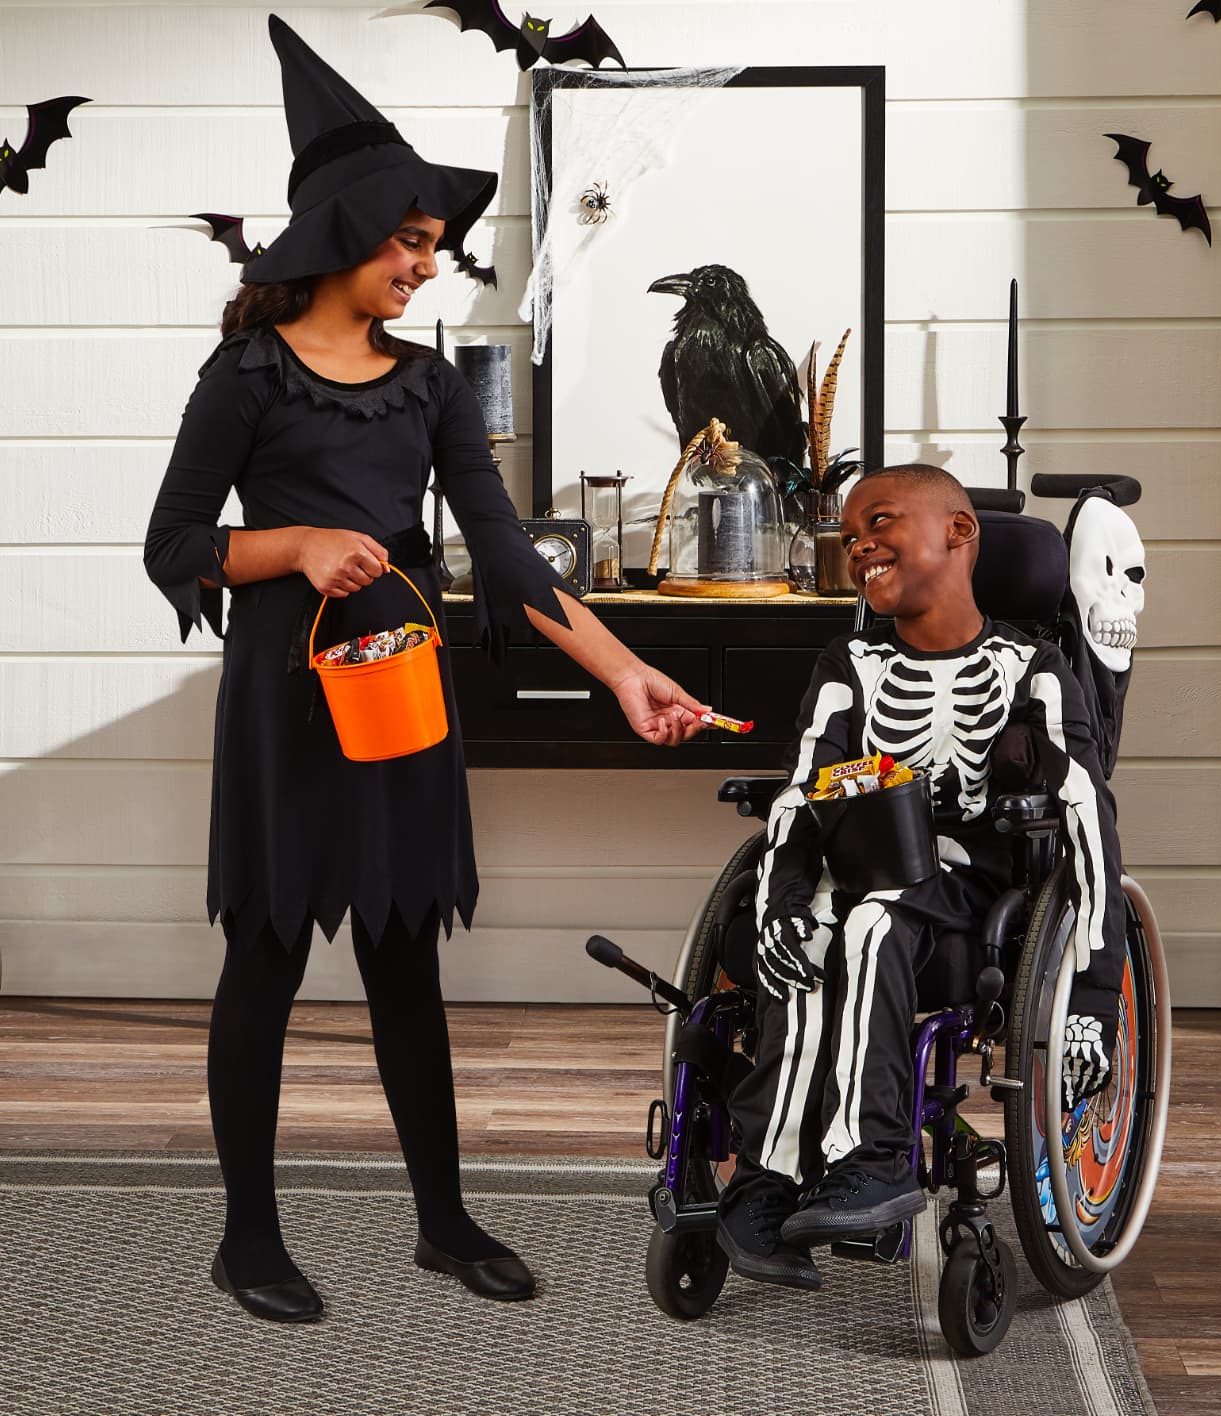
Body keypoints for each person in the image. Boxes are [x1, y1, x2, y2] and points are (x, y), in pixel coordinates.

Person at [143, 17, 707, 1324]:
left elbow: (508, 560)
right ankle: (247, 1238)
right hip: (288, 697)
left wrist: (625, 673)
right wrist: (295, 544)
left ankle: (444, 1222)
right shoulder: (244, 378)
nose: (426, 258)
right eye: (407, 238)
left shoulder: (431, 388)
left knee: (403, 959)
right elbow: (179, 543)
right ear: (342, 234)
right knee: (268, 961)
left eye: (430, 240)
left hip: (402, 684)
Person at [715, 464, 1125, 1291]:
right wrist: (784, 898)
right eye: (851, 531)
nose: (858, 543)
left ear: (959, 534)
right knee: (808, 932)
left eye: (882, 522)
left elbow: (1085, 810)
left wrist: (1094, 998)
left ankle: (874, 1159)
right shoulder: (850, 663)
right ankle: (767, 1176)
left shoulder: (1032, 667)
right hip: (855, 861)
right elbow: (805, 787)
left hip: (972, 884)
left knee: (870, 922)